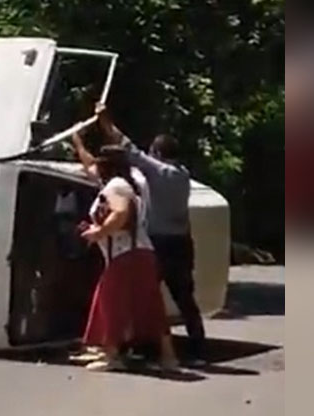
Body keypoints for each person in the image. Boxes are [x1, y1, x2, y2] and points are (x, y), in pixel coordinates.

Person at [95, 103, 208, 366]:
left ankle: (139, 348)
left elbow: (128, 148)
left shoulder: (158, 172)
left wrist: (105, 122)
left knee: (144, 295)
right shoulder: (183, 174)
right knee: (184, 298)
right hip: (182, 243)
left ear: (157, 153)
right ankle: (198, 349)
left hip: (160, 243)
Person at [71, 134, 178, 372]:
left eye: (99, 162)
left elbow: (120, 214)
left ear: (106, 166)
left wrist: (98, 232)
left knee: (111, 303)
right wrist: (78, 143)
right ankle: (168, 358)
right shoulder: (125, 183)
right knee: (148, 305)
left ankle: (112, 356)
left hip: (126, 255)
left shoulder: (116, 187)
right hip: (138, 254)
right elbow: (89, 165)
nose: (94, 166)